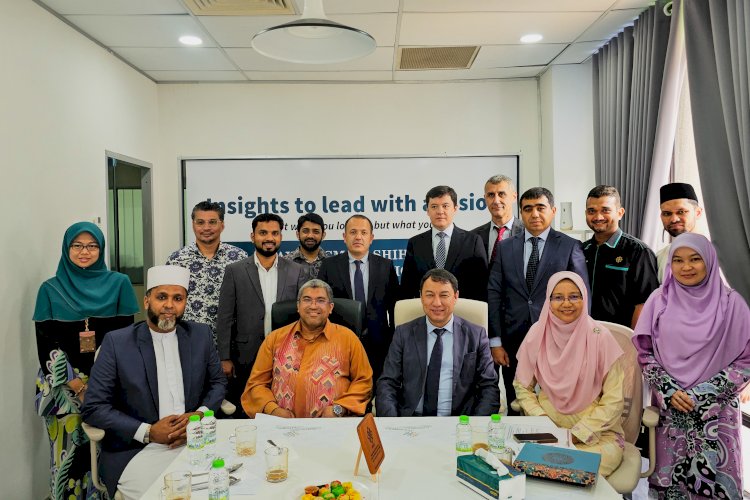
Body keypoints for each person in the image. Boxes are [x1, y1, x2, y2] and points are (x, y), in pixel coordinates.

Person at [81, 265, 226, 499]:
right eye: (162, 297)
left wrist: (199, 415)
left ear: (185, 303)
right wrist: (148, 432)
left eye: (177, 298)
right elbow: (93, 407)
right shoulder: (117, 343)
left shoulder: (200, 335)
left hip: (196, 442)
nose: (169, 305)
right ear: (147, 301)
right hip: (137, 449)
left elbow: (218, 383)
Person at [633, 233, 750, 499]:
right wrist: (669, 389)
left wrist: (704, 392)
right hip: (670, 410)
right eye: (678, 260)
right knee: (670, 486)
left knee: (715, 486)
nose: (686, 267)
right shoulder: (658, 300)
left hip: (716, 414)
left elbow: (746, 360)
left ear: (709, 260)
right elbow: (643, 352)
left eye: (695, 259)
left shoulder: (733, 304)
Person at [33, 222, 139, 500]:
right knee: (66, 456)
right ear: (67, 248)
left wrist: (102, 384)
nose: (84, 251)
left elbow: (126, 339)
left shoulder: (119, 284)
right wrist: (77, 385)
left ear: (101, 249)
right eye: (77, 245)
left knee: (107, 455)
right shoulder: (50, 289)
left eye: (92, 245)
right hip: (62, 389)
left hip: (108, 384)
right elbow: (47, 348)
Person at [488, 187, 589, 412]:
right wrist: (495, 341)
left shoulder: (569, 246)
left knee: (555, 405)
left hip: (557, 341)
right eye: (528, 209)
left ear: (552, 211)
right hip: (513, 341)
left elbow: (582, 297)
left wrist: (579, 341)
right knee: (517, 403)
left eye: (540, 208)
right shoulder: (505, 248)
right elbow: (494, 293)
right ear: (521, 213)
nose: (534, 214)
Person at [514, 271, 625, 476]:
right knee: (518, 458)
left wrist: (577, 434)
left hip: (596, 435)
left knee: (574, 467)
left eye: (574, 296)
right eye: (558, 297)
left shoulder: (600, 337)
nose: (567, 303)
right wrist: (544, 422)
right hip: (548, 431)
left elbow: (614, 400)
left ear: (584, 297)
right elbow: (522, 386)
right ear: (548, 301)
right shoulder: (538, 333)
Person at [242, 279, 373, 418]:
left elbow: (364, 383)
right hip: (281, 428)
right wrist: (273, 410)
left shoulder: (348, 339)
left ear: (331, 308)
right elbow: (256, 385)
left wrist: (339, 409)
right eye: (307, 299)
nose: (313, 306)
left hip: (333, 428)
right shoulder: (274, 339)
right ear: (298, 306)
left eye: (321, 300)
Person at [215, 213, 306, 414]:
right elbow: (225, 317)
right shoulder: (235, 271)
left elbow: (304, 316)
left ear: (281, 237)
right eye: (263, 233)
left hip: (288, 354)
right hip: (246, 355)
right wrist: (224, 357)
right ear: (252, 236)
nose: (269, 238)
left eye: (274, 233)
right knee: (248, 408)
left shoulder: (297, 271)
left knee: (284, 407)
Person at [377, 269, 499, 417]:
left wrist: (475, 427)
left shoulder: (476, 335)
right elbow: (387, 383)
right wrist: (393, 423)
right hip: (411, 422)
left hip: (459, 422)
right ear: (421, 297)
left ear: (455, 297)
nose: (436, 303)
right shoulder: (403, 333)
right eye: (429, 295)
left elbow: (489, 387)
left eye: (444, 295)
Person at [318, 214, 399, 383]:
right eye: (353, 232)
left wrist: (393, 336)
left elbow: (394, 306)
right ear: (344, 237)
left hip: (378, 342)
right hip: (339, 341)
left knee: (375, 388)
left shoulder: (385, 266)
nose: (358, 237)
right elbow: (321, 305)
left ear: (371, 238)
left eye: (363, 232)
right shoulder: (329, 266)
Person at [166, 200, 248, 341]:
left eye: (212, 222)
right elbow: (169, 301)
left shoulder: (239, 257)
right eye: (200, 222)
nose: (206, 227)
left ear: (222, 225)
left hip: (229, 342)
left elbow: (246, 301)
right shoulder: (177, 260)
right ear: (193, 225)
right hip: (187, 339)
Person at [583, 185, 659, 328]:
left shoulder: (639, 251)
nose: (598, 217)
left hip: (621, 338)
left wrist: (634, 343)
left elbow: (644, 304)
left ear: (620, 213)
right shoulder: (581, 250)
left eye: (605, 210)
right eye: (592, 211)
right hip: (584, 335)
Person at [400, 185, 488, 301]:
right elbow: (407, 287)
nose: (440, 211)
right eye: (434, 206)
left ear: (455, 209)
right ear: (428, 211)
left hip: (463, 311)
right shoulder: (415, 243)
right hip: (427, 312)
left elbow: (482, 284)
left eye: (445, 206)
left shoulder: (473, 241)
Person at [656, 182, 703, 282]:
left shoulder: (718, 253)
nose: (674, 219)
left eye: (681, 212)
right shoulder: (660, 257)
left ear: (698, 213)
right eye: (667, 213)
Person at [471, 175, 524, 262]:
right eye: (491, 195)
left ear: (514, 197)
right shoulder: (473, 237)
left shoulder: (528, 232)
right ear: (485, 199)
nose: (496, 200)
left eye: (501, 194)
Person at [282, 212, 330, 280]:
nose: (310, 235)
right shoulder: (285, 263)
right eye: (305, 231)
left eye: (316, 232)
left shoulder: (332, 263)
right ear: (298, 234)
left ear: (323, 235)